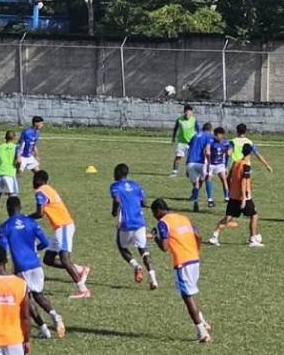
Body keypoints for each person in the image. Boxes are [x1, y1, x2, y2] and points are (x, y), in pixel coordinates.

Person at [0, 196, 65, 340]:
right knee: (39, 294)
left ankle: (43, 328)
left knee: (25, 299)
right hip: (35, 264)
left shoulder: (5, 227)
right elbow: (45, 242)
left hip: (21, 267)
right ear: (20, 208)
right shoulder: (31, 222)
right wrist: (36, 248)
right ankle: (55, 315)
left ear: (8, 209)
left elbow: (3, 251)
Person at [151, 199, 211, 343]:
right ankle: (203, 323)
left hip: (182, 262)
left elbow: (164, 247)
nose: (155, 216)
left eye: (154, 213)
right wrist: (195, 251)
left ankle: (202, 333)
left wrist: (155, 238)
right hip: (194, 259)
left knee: (187, 297)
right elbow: (198, 236)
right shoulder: (184, 218)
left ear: (159, 210)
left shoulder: (163, 222)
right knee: (191, 292)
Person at [31, 170, 91, 299]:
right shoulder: (48, 189)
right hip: (61, 227)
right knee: (48, 259)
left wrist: (25, 217)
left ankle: (83, 290)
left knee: (64, 258)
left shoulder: (40, 192)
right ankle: (80, 270)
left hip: (63, 226)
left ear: (38, 180)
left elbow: (39, 213)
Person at [111, 164, 157, 289]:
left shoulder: (115, 186)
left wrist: (114, 211)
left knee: (121, 247)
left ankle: (136, 266)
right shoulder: (136, 185)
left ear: (117, 173)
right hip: (139, 222)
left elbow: (116, 200)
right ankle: (153, 279)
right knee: (143, 249)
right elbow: (144, 202)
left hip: (126, 223)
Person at [209, 143, 262, 248]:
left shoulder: (236, 163)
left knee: (228, 217)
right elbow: (243, 181)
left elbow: (228, 178)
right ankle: (252, 239)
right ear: (250, 152)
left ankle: (214, 236)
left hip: (233, 195)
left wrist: (231, 189)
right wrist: (243, 198)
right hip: (244, 197)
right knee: (254, 215)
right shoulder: (246, 165)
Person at [0, 130, 19, 223]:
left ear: (5, 137)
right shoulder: (16, 148)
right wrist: (17, 169)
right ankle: (13, 217)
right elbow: (18, 161)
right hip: (9, 174)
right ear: (14, 137)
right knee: (12, 197)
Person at [186, 121, 214, 212]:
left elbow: (189, 148)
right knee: (208, 178)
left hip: (190, 162)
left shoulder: (195, 136)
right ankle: (210, 200)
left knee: (196, 184)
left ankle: (195, 202)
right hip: (201, 162)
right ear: (210, 130)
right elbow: (207, 151)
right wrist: (209, 163)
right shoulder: (208, 136)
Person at [170, 105, 198, 177]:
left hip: (191, 143)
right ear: (184, 112)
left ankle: (188, 172)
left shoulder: (194, 120)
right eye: (186, 112)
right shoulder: (179, 120)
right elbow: (175, 129)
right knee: (178, 157)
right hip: (181, 142)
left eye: (189, 113)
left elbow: (198, 130)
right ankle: (174, 172)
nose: (187, 114)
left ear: (191, 113)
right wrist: (173, 138)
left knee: (190, 159)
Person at [207, 125, 233, 203]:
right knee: (208, 179)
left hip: (220, 164)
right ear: (215, 135)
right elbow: (207, 151)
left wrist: (230, 151)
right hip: (211, 164)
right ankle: (210, 198)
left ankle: (227, 197)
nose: (220, 137)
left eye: (222, 135)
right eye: (219, 135)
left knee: (224, 179)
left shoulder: (225, 142)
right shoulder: (210, 141)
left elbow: (231, 147)